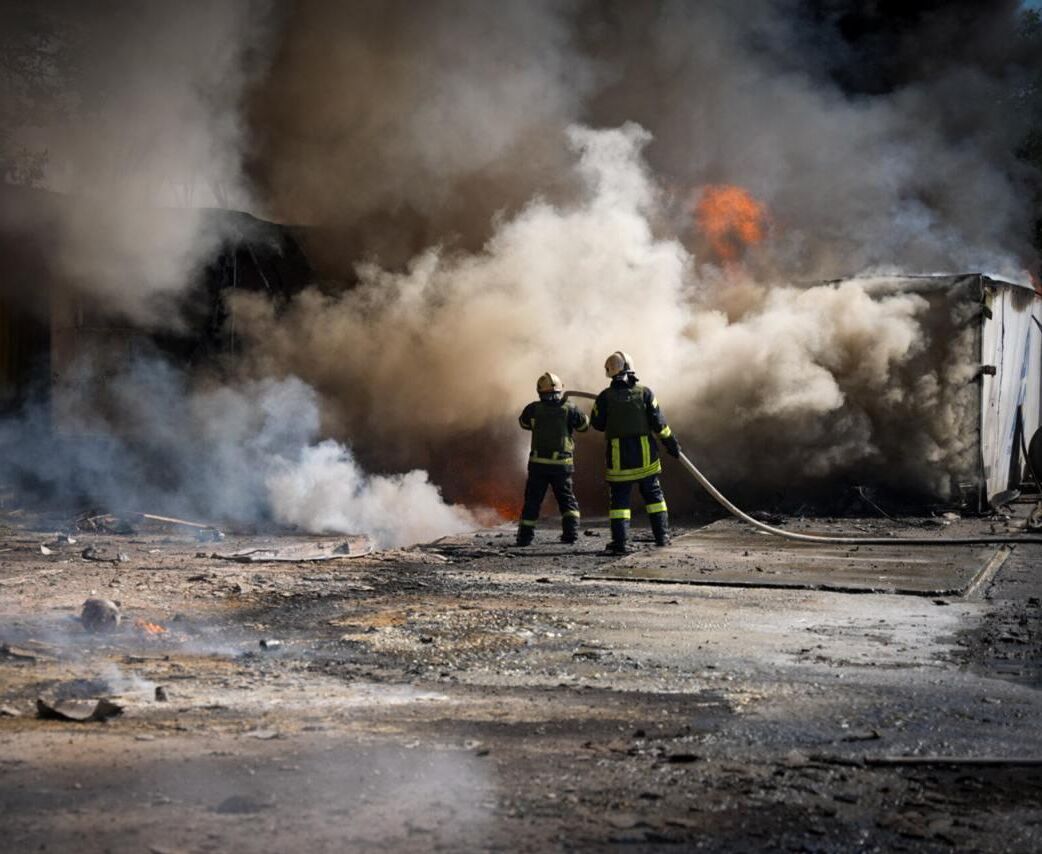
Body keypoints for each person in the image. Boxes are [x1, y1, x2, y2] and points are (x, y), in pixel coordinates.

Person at [590, 350, 680, 554]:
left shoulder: (605, 397)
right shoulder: (645, 393)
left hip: (619, 459)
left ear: (610, 372)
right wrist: (671, 444)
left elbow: (597, 424)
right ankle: (662, 538)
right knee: (654, 497)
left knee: (620, 502)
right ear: (631, 369)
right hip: (646, 457)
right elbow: (660, 425)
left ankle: (620, 544)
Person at [517, 372, 590, 546]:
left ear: (540, 391)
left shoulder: (533, 409)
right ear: (559, 389)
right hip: (561, 465)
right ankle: (570, 535)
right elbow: (584, 426)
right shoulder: (569, 408)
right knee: (566, 500)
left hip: (538, 465)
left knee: (532, 501)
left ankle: (525, 538)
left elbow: (524, 423)